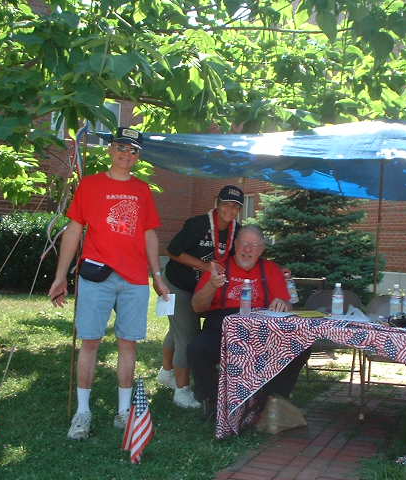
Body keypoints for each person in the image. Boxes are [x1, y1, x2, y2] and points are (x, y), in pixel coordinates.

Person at [49, 127, 170, 440]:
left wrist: (157, 276)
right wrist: (61, 275)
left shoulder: (143, 190)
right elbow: (74, 231)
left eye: (133, 151)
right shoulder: (90, 185)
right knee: (89, 342)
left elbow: (149, 234)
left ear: (138, 156)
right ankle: (83, 412)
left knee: (128, 344)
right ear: (110, 150)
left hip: (134, 280)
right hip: (96, 276)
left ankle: (124, 410)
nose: (126, 154)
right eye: (121, 147)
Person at [188, 225, 310, 413]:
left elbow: (287, 304)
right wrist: (212, 285)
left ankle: (272, 399)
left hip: (261, 328)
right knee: (197, 348)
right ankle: (212, 401)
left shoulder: (270, 269)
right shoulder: (219, 267)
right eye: (244, 244)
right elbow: (196, 306)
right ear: (235, 245)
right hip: (223, 327)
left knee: (301, 346)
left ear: (262, 249)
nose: (247, 250)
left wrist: (283, 304)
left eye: (254, 245)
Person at [156, 185, 243, 409]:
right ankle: (181, 391)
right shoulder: (198, 224)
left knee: (179, 328)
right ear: (217, 203)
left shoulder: (237, 231)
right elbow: (172, 250)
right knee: (188, 333)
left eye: (235, 206)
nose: (230, 210)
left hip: (204, 289)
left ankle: (166, 372)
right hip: (178, 284)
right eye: (226, 204)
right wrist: (205, 266)